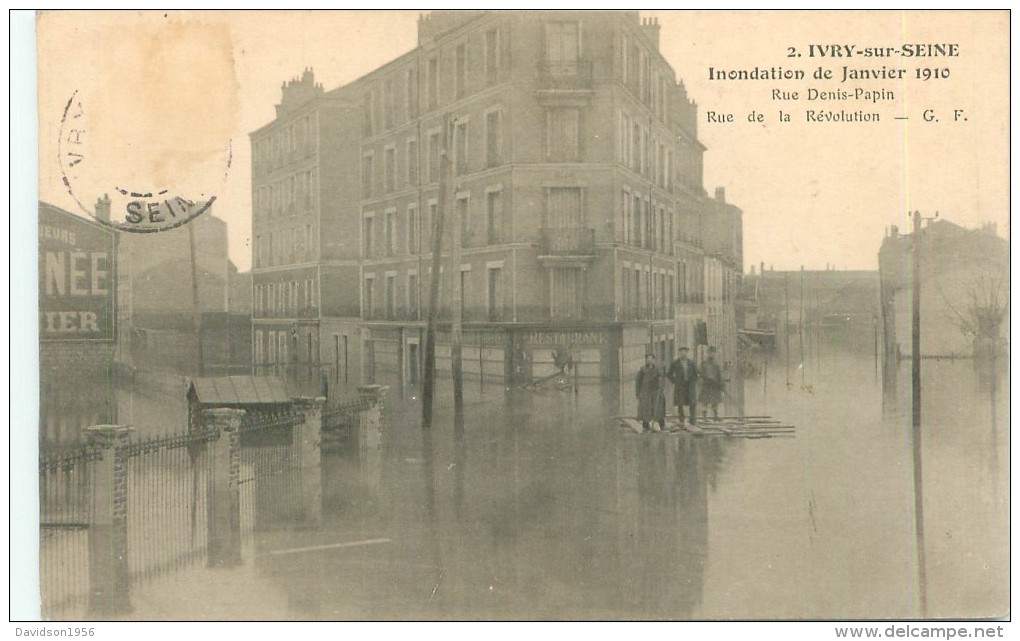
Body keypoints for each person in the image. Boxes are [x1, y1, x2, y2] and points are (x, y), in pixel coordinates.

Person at [666, 346, 699, 427]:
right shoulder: (675, 363)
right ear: (679, 353)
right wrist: (674, 381)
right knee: (680, 403)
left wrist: (694, 380)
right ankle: (682, 419)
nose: (683, 354)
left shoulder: (691, 363)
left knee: (692, 402)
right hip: (680, 386)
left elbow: (697, 372)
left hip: (689, 385)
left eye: (685, 352)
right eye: (681, 352)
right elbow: (669, 374)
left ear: (687, 353)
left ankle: (693, 420)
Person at [635, 352, 664, 432]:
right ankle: (645, 426)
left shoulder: (657, 369)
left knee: (658, 409)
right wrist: (638, 393)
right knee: (645, 410)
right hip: (645, 392)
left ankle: (662, 426)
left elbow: (661, 381)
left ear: (654, 360)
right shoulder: (642, 370)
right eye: (648, 359)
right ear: (646, 360)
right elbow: (638, 382)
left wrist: (661, 388)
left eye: (651, 358)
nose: (650, 360)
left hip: (655, 392)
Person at [699, 347, 724, 419]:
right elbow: (701, 374)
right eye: (710, 353)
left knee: (715, 401)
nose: (711, 355)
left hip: (715, 385)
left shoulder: (717, 364)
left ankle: (715, 416)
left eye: (713, 353)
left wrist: (721, 384)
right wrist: (703, 380)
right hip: (706, 385)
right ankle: (704, 416)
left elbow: (719, 375)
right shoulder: (703, 364)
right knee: (705, 401)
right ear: (707, 354)